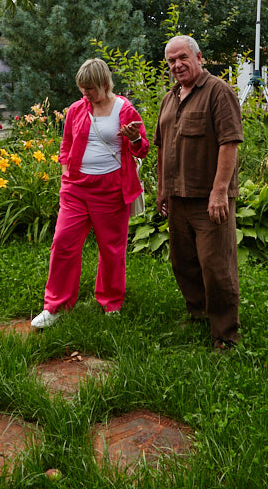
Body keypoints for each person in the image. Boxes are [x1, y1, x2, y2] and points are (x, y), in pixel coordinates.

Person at [31, 58, 149, 328]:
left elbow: (142, 149)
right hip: (76, 189)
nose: (86, 94)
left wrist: (133, 138)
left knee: (112, 249)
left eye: (91, 88)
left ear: (104, 83)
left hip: (111, 189)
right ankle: (55, 306)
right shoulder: (77, 109)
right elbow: (66, 145)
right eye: (82, 88)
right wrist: (66, 175)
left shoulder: (125, 109)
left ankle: (111, 302)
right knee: (63, 242)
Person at [155, 35, 243, 349]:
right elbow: (161, 146)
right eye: (171, 61)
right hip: (176, 197)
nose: (177, 65)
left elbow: (229, 143)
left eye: (182, 57)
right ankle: (197, 312)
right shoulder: (169, 98)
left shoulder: (219, 92)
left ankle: (225, 333)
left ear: (198, 57)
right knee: (184, 262)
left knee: (216, 267)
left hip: (208, 199)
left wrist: (219, 192)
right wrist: (162, 189)